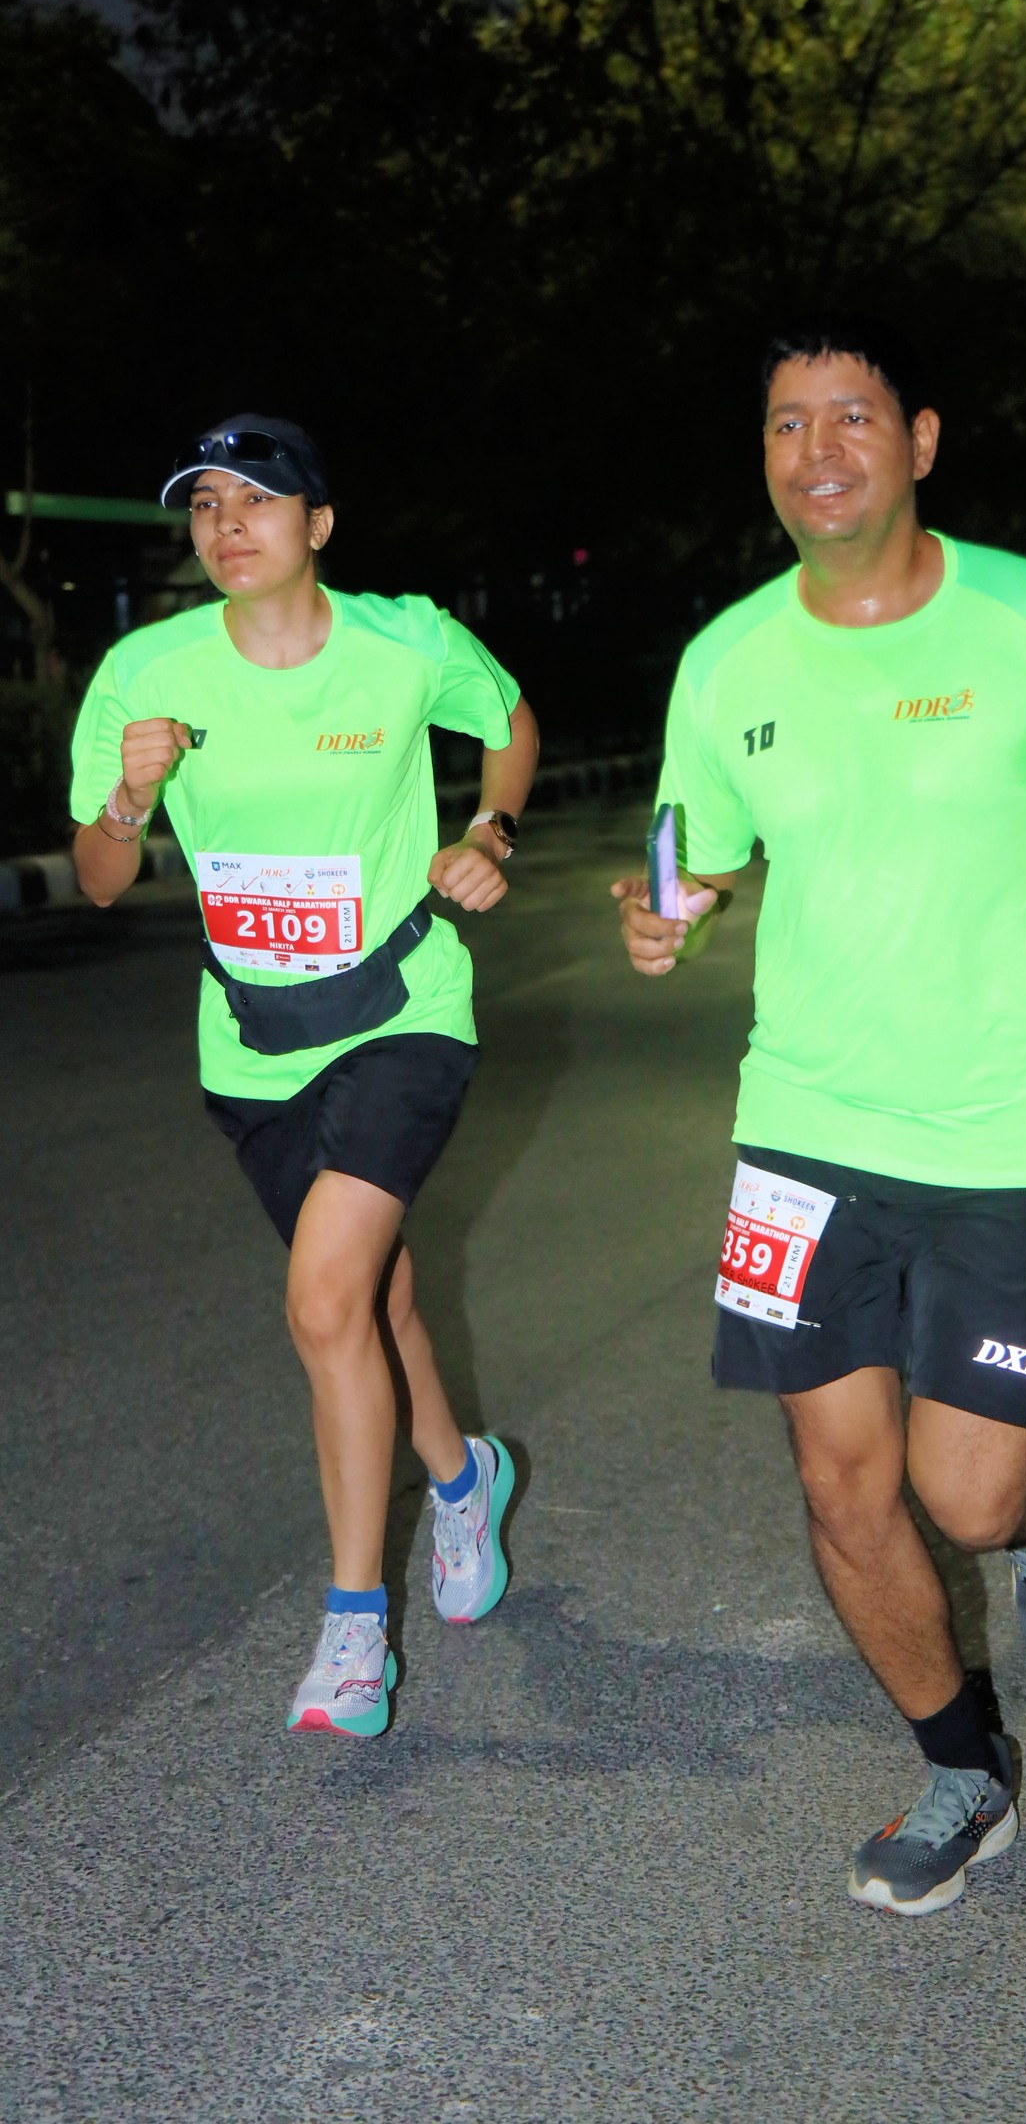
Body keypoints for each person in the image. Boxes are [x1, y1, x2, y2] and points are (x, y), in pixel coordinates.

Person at [612, 318, 1026, 1916]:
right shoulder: (725, 660)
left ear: (922, 441)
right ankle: (964, 1768)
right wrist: (668, 911)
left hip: (1004, 1138)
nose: (817, 451)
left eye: (853, 417)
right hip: (802, 1128)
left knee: (963, 1494)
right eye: (786, 422)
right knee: (839, 1481)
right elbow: (697, 845)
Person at [71, 416, 538, 1737]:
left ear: (318, 524)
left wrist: (490, 829)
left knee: (326, 1302)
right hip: (253, 1045)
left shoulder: (406, 643)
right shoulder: (143, 671)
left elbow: (509, 721)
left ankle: (351, 1633)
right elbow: (98, 879)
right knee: (374, 1300)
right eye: (206, 504)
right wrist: (128, 799)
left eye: (259, 499)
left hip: (403, 1014)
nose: (229, 525)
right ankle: (464, 1480)